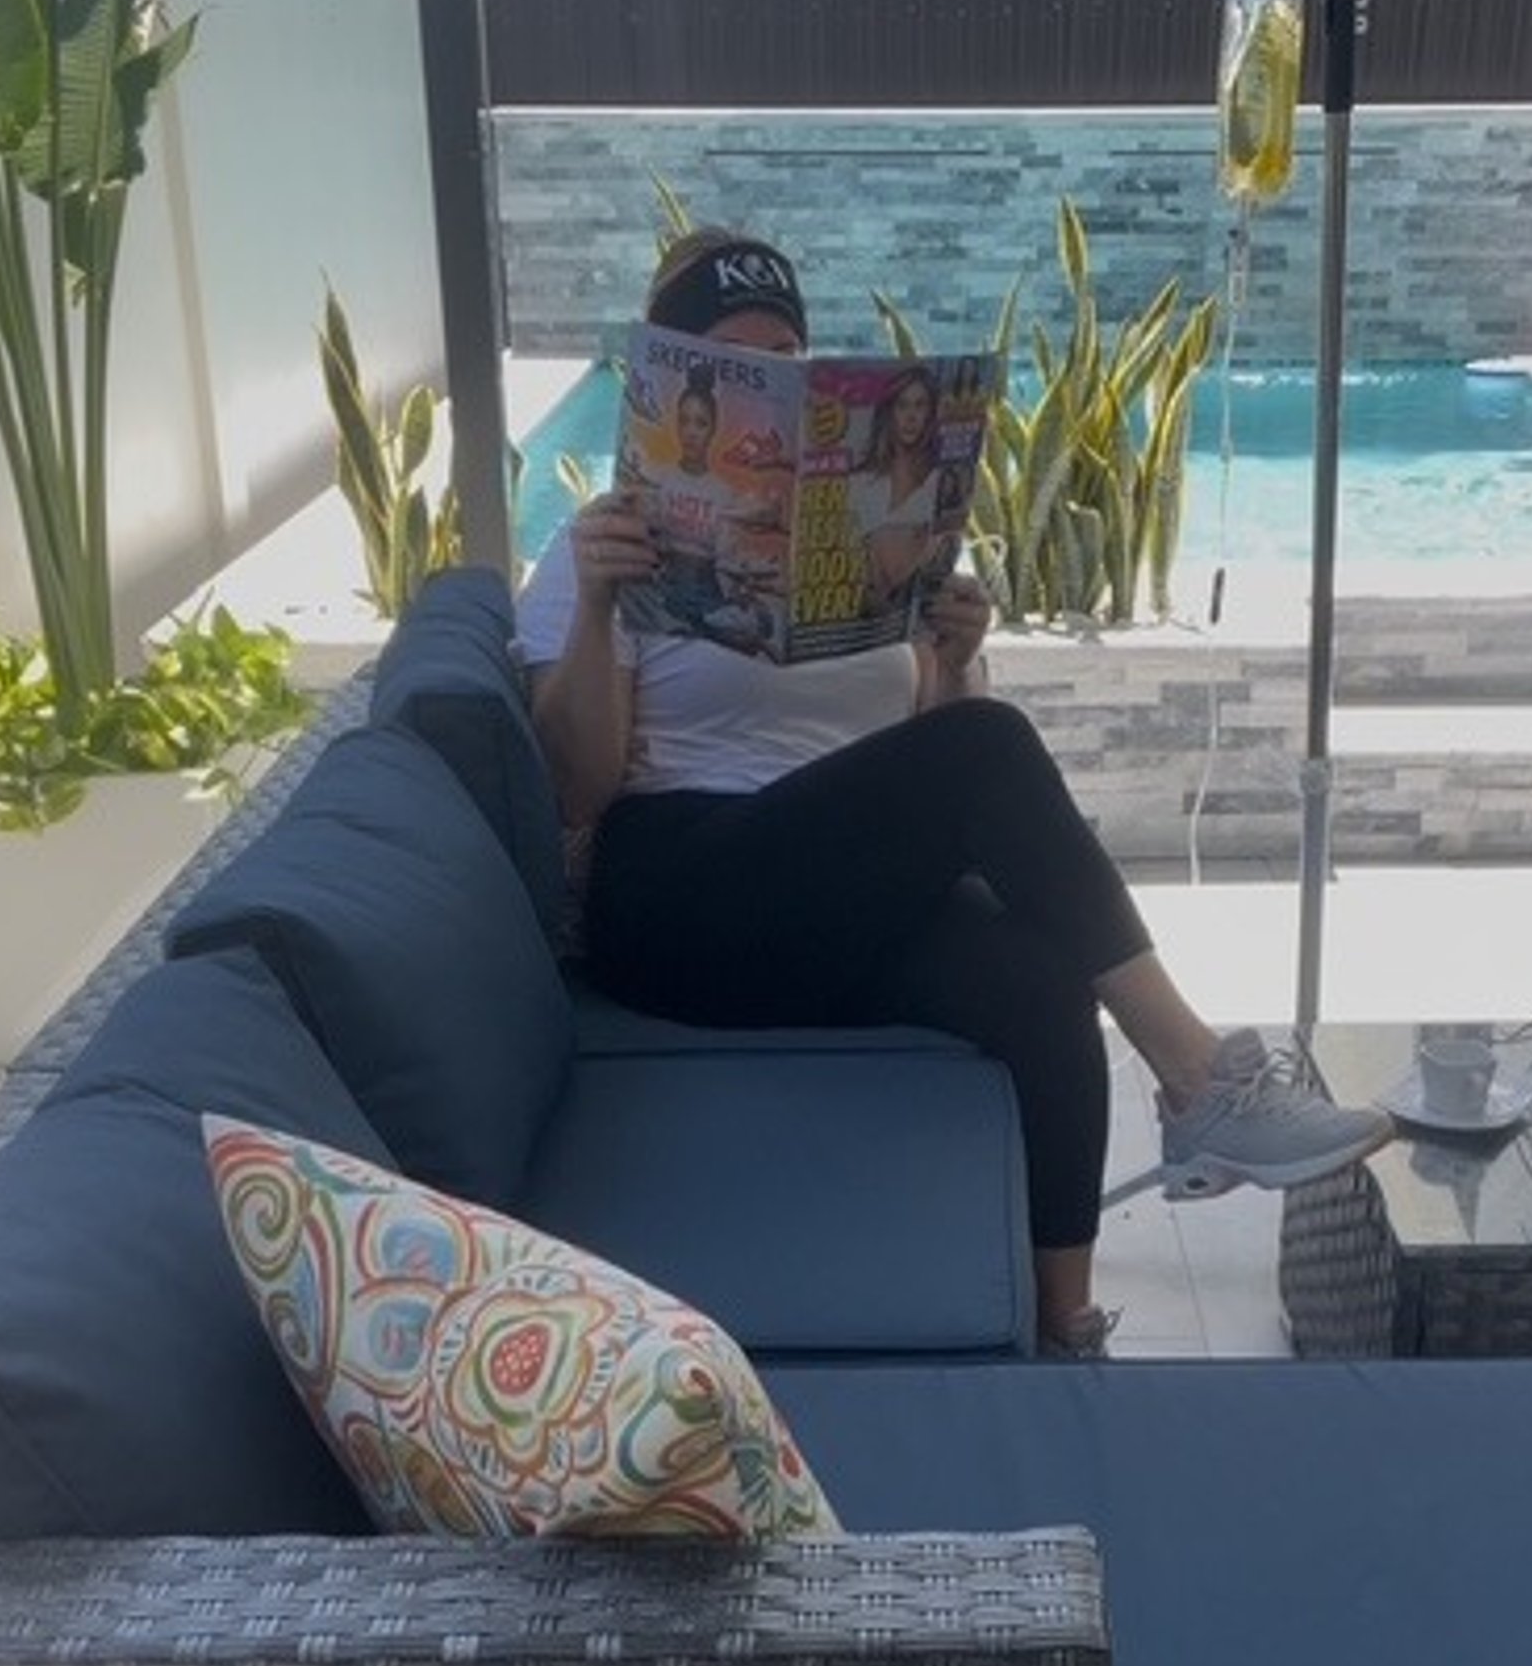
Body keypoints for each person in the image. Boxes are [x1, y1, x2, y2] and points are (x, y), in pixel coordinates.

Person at [515, 226, 1392, 1359]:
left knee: (1042, 977)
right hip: (677, 901)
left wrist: (955, 650)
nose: (764, 377)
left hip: (825, 902)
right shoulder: (597, 556)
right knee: (986, 748)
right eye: (734, 361)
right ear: (670, 391)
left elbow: (916, 764)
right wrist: (595, 609)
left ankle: (1064, 1332)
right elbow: (575, 789)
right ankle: (1197, 1075)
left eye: (787, 352)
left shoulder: (856, 538)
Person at [847, 364, 947, 605]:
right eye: (901, 405)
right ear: (888, 413)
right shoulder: (859, 482)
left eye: (920, 405)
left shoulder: (941, 483)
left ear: (930, 413)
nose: (911, 417)